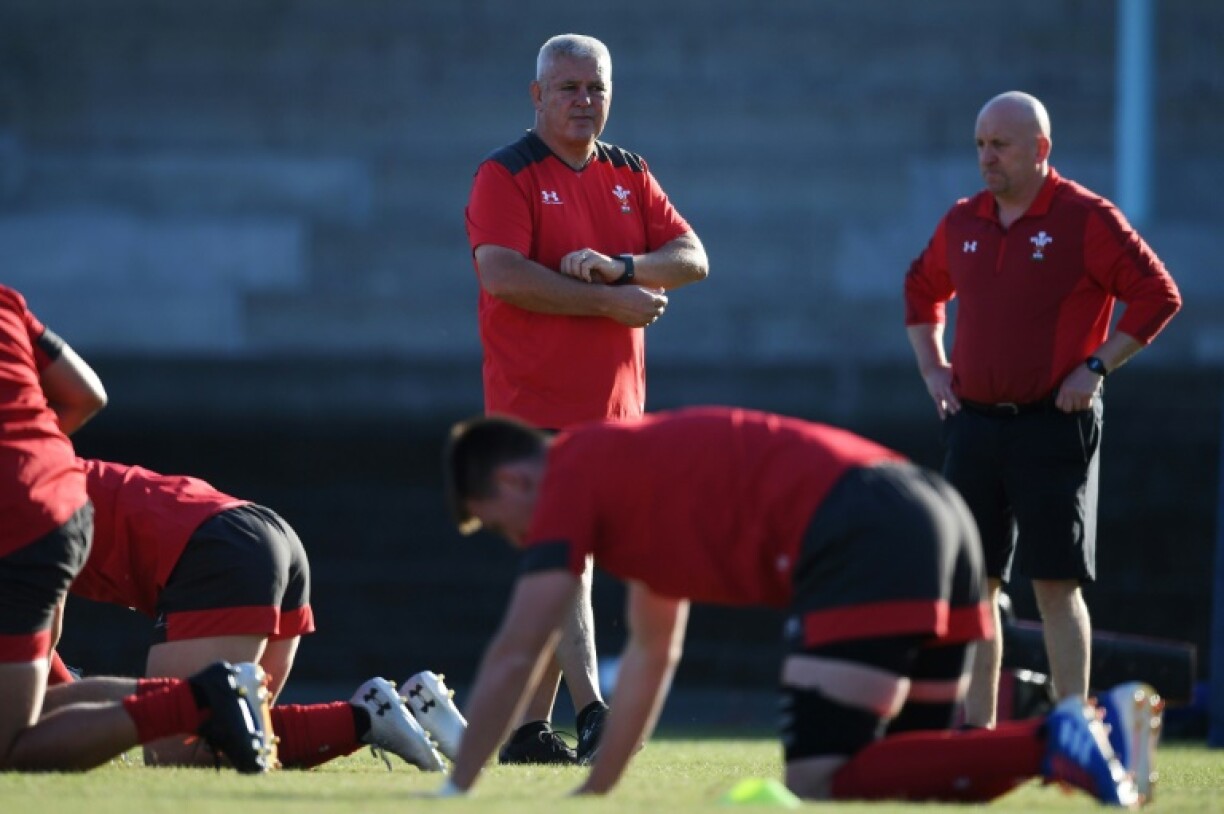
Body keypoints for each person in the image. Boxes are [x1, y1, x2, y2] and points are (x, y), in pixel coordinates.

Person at [435, 408, 1160, 804]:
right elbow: (656, 653)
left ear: (509, 479)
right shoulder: (626, 488)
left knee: (820, 777)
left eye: (497, 522)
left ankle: (1061, 734)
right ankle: (1091, 732)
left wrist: (456, 786)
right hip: (934, 513)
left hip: (864, 529)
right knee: (928, 775)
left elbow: (515, 647)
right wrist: (597, 787)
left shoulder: (567, 471)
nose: (513, 538)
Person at [464, 32, 709, 764]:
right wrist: (609, 300)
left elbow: (692, 257)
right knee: (567, 553)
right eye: (568, 88)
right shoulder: (505, 173)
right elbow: (502, 274)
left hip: (614, 409)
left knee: (565, 561)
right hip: (533, 401)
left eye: (595, 88)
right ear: (536, 95)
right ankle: (594, 709)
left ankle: (528, 731)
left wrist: (624, 266)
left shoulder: (629, 172)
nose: (583, 101)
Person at [903, 91, 1182, 729]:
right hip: (973, 424)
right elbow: (921, 291)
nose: (986, 158)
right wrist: (932, 369)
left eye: (999, 145)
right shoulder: (964, 220)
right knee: (975, 592)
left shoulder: (1087, 218)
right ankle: (977, 733)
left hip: (1053, 426)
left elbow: (1157, 295)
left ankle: (1070, 732)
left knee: (1055, 586)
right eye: (979, 144)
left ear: (1040, 150)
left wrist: (1096, 366)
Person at [0, 283, 270, 772]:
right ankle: (205, 696)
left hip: (19, 515)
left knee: (10, 747)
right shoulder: (5, 300)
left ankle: (203, 699)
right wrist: (31, 454)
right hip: (64, 499)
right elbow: (87, 394)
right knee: (35, 699)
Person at [49, 456, 466, 772]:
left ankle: (363, 718)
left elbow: (37, 638)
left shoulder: (18, 495)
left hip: (217, 552)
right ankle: (415, 708)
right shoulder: (39, 468)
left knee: (174, 750)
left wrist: (65, 712)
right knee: (234, 732)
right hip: (263, 533)